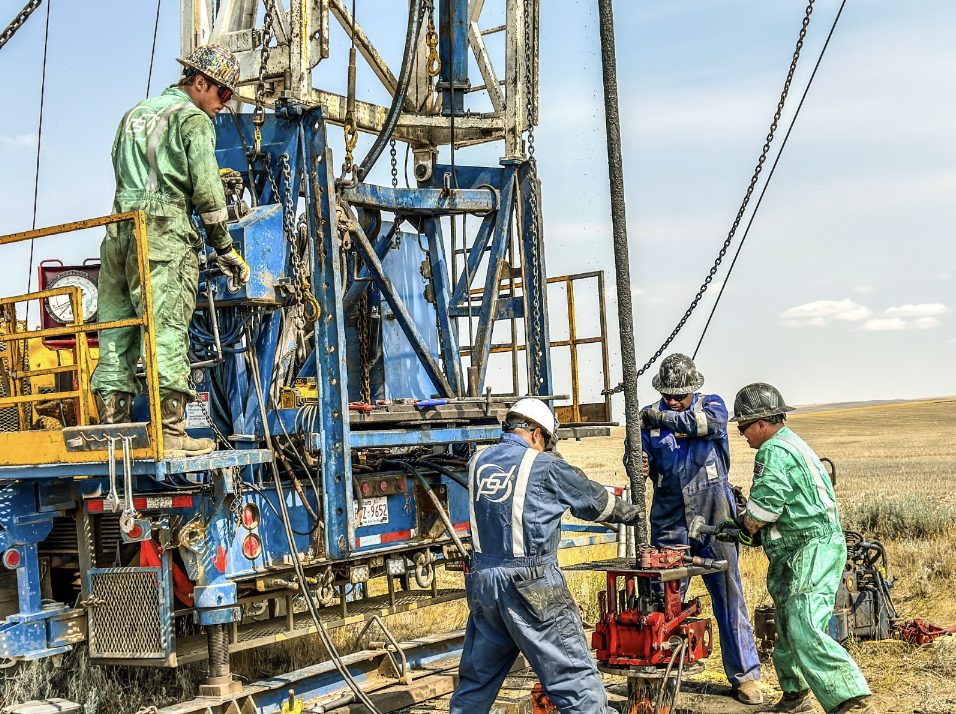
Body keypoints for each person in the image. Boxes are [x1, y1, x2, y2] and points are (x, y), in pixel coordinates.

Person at [90, 45, 250, 456]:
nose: (222, 105)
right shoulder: (192, 119)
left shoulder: (133, 114)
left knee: (116, 329)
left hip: (118, 231)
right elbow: (208, 192)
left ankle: (112, 430)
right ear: (200, 82)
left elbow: (119, 169)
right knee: (166, 330)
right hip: (162, 234)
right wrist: (225, 249)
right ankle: (171, 433)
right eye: (223, 95)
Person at [449, 398, 644, 714]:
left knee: (476, 684)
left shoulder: (478, 461)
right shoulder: (544, 466)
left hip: (483, 585)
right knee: (576, 684)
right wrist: (628, 512)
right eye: (547, 443)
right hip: (531, 586)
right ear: (537, 433)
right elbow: (593, 501)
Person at [721, 383, 877, 714]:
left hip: (810, 547)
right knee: (789, 624)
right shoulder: (794, 444)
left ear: (761, 423)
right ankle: (795, 697)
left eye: (743, 427)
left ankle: (853, 701)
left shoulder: (773, 450)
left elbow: (765, 507)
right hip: (797, 547)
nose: (742, 434)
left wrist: (745, 526)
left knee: (804, 621)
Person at [639, 354, 763, 705]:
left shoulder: (713, 406)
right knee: (664, 599)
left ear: (694, 388)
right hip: (668, 516)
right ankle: (661, 676)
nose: (674, 400)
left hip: (714, 512)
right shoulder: (647, 420)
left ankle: (745, 676)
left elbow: (702, 426)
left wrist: (662, 417)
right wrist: (639, 463)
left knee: (728, 592)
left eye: (680, 395)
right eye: (668, 396)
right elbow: (635, 458)